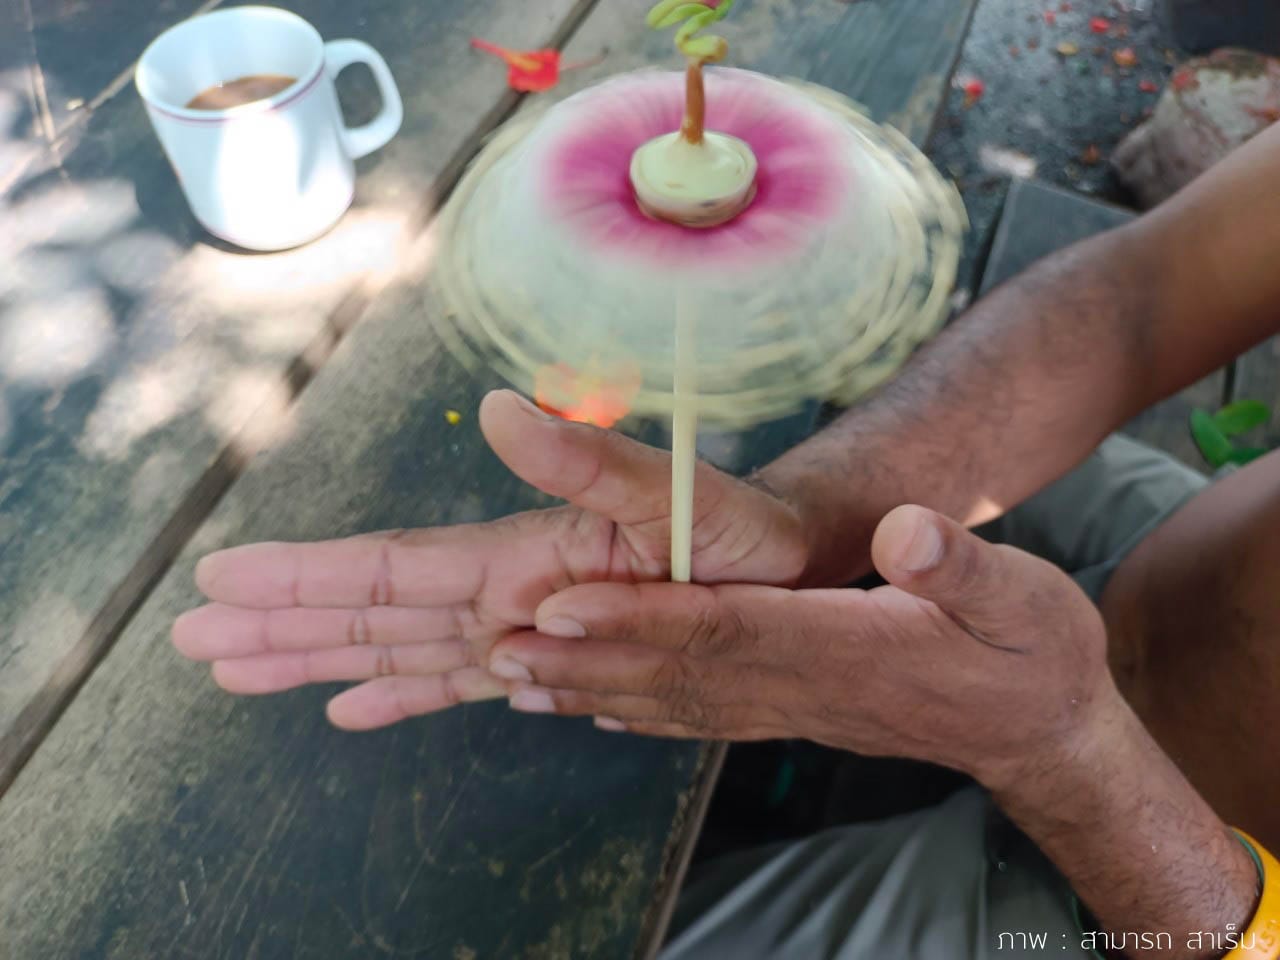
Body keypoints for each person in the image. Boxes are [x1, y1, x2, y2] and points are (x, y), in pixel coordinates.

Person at [171, 119, 1280, 959]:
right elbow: (1144, 296)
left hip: (1164, 902)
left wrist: (1062, 754)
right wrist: (800, 520)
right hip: (1172, 550)